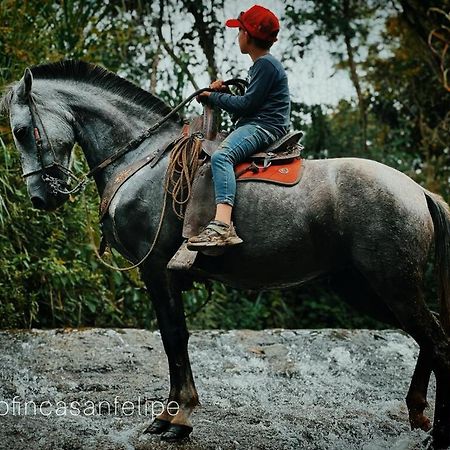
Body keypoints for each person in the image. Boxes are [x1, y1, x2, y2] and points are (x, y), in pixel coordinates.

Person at [187, 4, 291, 250]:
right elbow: (252, 101)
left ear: (247, 35)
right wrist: (223, 93)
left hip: (264, 126)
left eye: (239, 31)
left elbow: (246, 105)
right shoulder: (263, 65)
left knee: (222, 156)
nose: (238, 36)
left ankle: (222, 225)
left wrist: (211, 97)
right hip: (262, 121)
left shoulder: (265, 65)